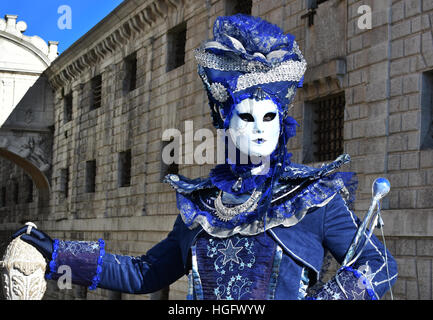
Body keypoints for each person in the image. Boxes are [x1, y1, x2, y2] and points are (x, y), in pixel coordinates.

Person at [12, 14, 397, 300]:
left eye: (270, 118)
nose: (260, 128)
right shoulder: (201, 207)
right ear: (225, 124)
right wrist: (58, 253)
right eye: (246, 117)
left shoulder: (314, 200)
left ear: (283, 124)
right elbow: (144, 273)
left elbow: (380, 265)